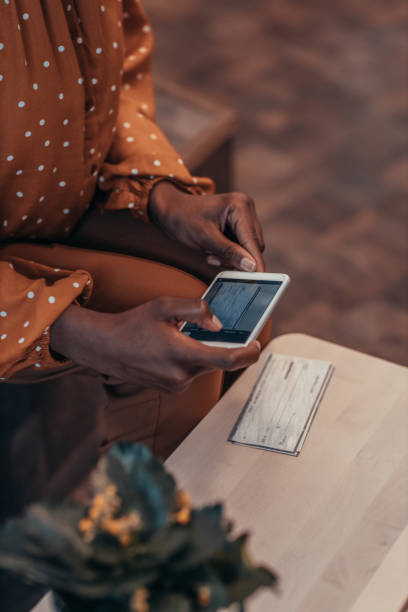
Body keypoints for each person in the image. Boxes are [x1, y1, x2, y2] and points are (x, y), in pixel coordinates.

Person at [0, 0, 267, 517]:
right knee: (183, 364)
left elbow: (106, 76)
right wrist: (68, 328)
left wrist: (160, 193)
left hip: (52, 201)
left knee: (228, 299)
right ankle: (142, 552)